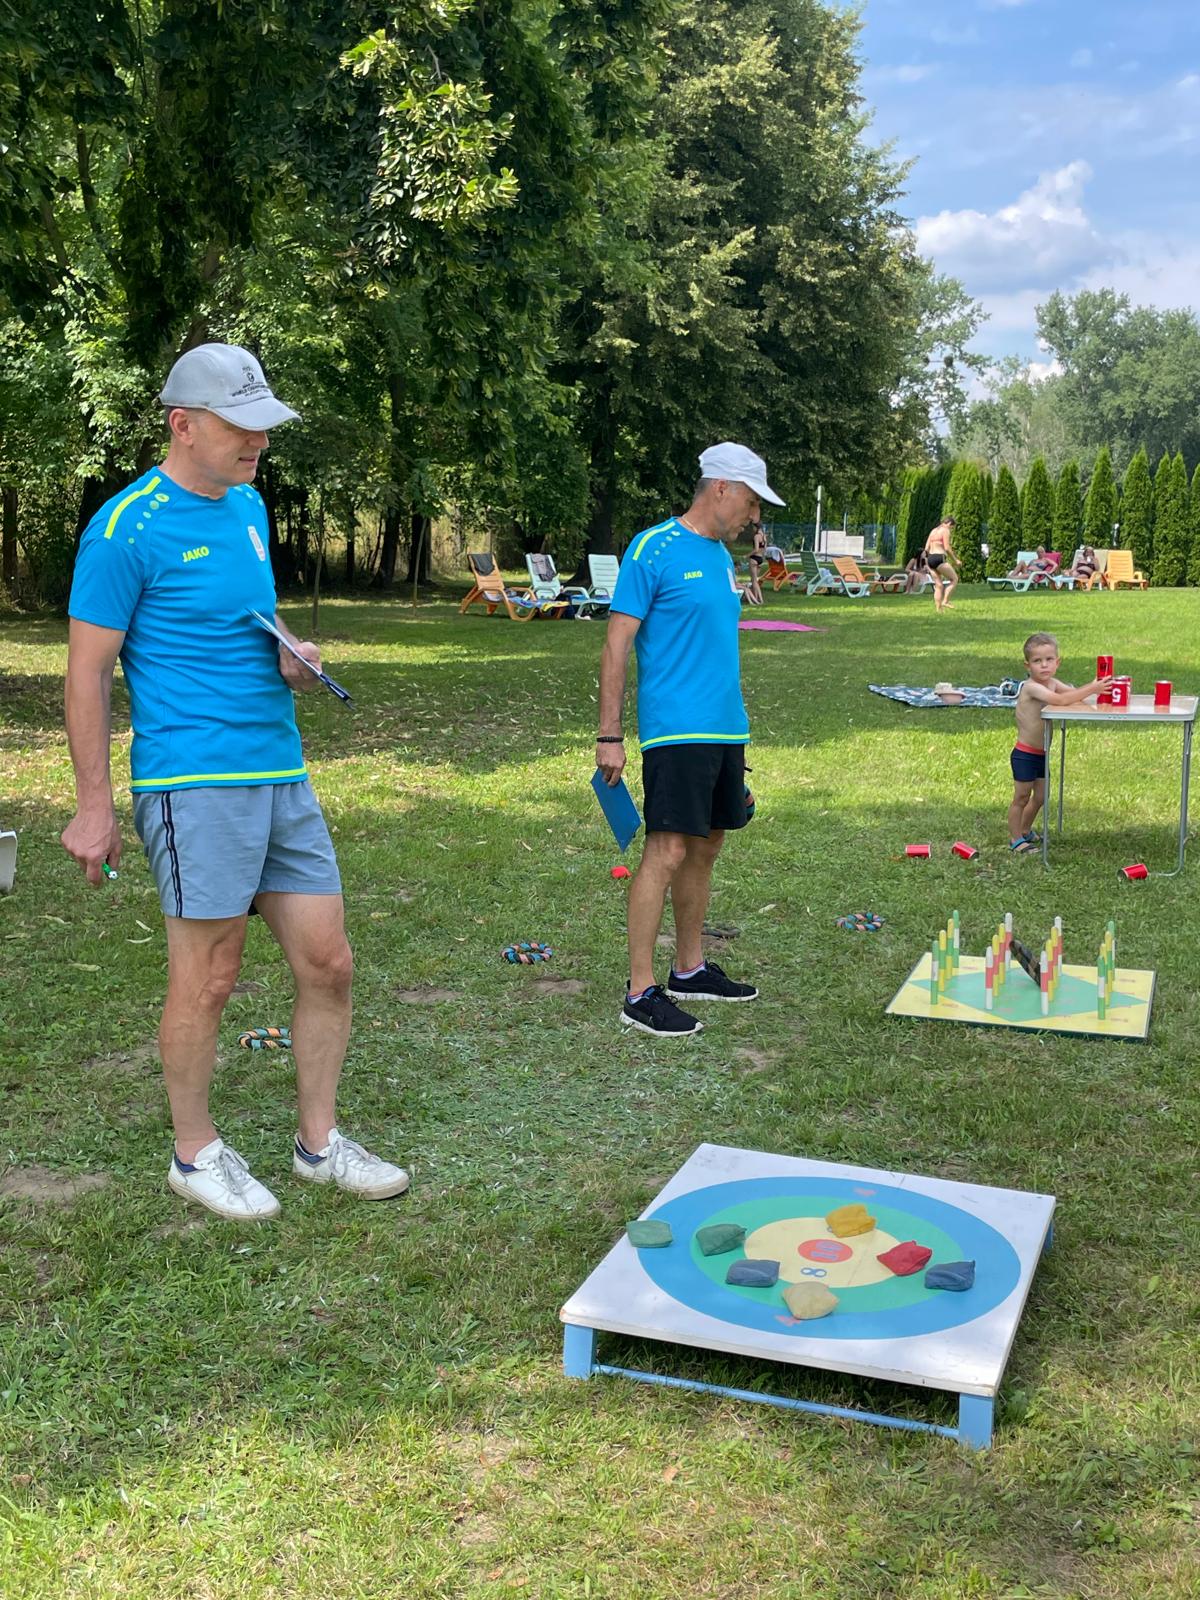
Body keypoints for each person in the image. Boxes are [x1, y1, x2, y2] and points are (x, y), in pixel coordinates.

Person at [62, 343, 409, 1220]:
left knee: (329, 962)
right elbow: (87, 673)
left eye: (264, 425)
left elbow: (247, 616)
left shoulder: (249, 505)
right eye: (241, 426)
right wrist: (95, 807)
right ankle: (194, 1154)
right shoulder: (125, 529)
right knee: (210, 977)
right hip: (194, 782)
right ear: (183, 425)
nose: (259, 441)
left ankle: (319, 1145)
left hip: (281, 771)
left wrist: (291, 652)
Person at [596, 442, 784, 1036]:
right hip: (675, 729)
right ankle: (639, 991)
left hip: (725, 728)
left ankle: (690, 968)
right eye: (752, 501)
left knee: (707, 846)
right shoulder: (653, 547)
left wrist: (738, 744)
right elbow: (616, 645)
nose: (754, 516)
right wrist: (609, 735)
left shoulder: (722, 558)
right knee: (668, 850)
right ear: (721, 487)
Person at [1008, 631, 1111, 853]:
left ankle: (1025, 829)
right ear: (1028, 665)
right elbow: (1061, 700)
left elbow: (1073, 695)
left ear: (1057, 662)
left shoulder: (1052, 683)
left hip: (1041, 753)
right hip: (1025, 754)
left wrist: (1099, 697)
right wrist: (1092, 687)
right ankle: (1015, 839)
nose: (1044, 665)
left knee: (1041, 797)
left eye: (1049, 659)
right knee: (1022, 797)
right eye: (1037, 661)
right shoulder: (1031, 687)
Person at [923, 517, 959, 612]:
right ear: (949, 524)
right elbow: (947, 548)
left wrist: (927, 561)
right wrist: (955, 560)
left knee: (938, 585)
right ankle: (945, 601)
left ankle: (939, 610)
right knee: (954, 579)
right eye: (952, 527)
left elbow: (926, 548)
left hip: (930, 558)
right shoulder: (945, 530)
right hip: (939, 558)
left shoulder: (933, 531)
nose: (951, 530)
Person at [745, 521, 767, 605]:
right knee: (755, 580)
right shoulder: (764, 536)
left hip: (754, 558)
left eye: (753, 527)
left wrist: (747, 555)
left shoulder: (756, 536)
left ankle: (758, 600)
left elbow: (756, 549)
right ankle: (758, 598)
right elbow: (764, 549)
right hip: (760, 559)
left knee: (754, 581)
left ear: (756, 527)